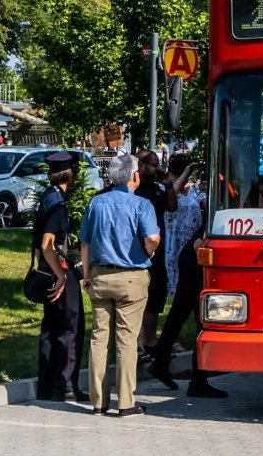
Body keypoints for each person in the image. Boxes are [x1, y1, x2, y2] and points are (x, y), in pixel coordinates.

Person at [78, 152, 162, 417]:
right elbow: (152, 237)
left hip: (100, 276)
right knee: (126, 340)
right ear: (134, 176)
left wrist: (87, 274)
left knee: (98, 339)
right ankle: (126, 402)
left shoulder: (96, 203)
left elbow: (85, 242)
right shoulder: (142, 205)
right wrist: (150, 250)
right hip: (131, 277)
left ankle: (98, 402)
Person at [149, 154, 226, 398]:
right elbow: (171, 198)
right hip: (189, 257)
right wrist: (186, 174)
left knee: (180, 315)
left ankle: (161, 364)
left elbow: (205, 209)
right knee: (203, 320)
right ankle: (198, 380)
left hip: (192, 255)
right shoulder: (170, 190)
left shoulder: (202, 195)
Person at [33, 153, 83, 403]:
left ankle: (47, 385)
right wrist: (61, 275)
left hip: (46, 269)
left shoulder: (47, 196)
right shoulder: (57, 202)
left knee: (50, 329)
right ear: (70, 172)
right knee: (69, 328)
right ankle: (65, 386)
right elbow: (47, 243)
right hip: (58, 268)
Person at [135, 149, 171, 359]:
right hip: (140, 252)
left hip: (157, 252)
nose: (158, 168)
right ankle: (139, 344)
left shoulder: (157, 189)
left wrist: (168, 185)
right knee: (139, 299)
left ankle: (150, 342)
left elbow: (171, 206)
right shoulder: (135, 189)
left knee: (156, 297)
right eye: (154, 165)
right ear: (141, 166)